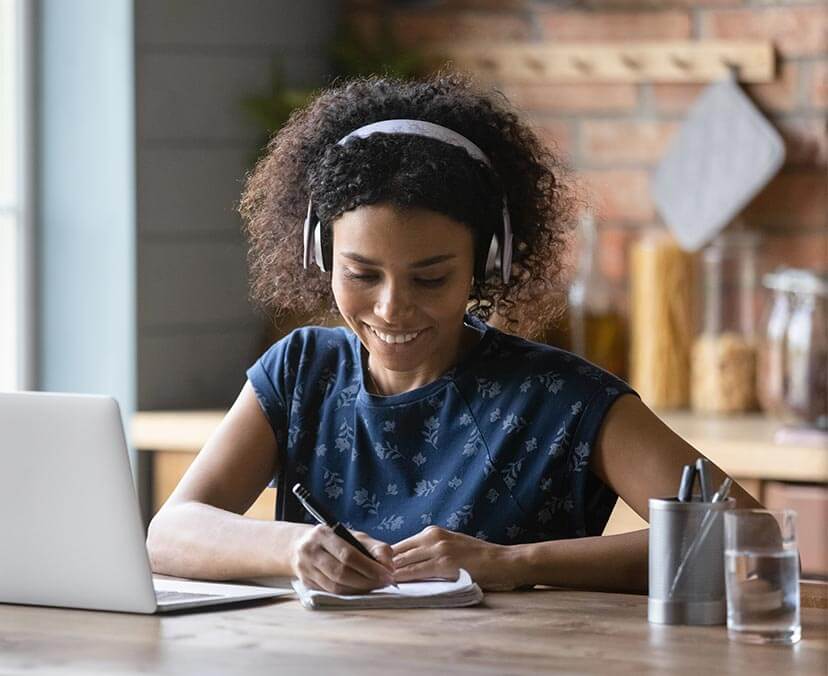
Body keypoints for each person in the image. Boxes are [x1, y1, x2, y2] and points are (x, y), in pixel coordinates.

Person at [146, 72, 760, 595]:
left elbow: (746, 535)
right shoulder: (301, 371)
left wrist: (514, 564)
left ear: (485, 266)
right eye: (361, 273)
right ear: (321, 254)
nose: (392, 308)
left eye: (431, 278)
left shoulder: (558, 397)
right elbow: (169, 533)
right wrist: (292, 549)